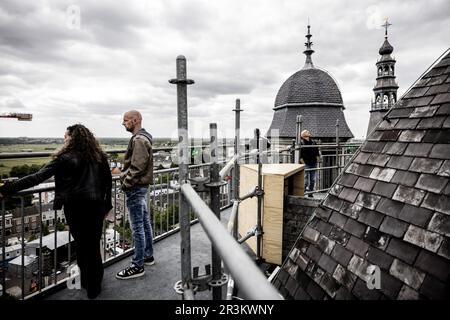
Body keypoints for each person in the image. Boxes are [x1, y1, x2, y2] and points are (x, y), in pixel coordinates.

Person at [0, 124, 112, 299]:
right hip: (96, 208)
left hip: (75, 209)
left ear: (71, 138)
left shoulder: (64, 158)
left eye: (66, 136)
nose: (64, 139)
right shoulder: (100, 157)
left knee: (83, 246)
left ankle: (86, 282)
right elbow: (108, 183)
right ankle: (94, 287)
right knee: (93, 247)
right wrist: (107, 206)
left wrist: (8, 189)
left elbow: (37, 177)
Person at [116, 110, 155, 280]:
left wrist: (125, 183)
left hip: (135, 188)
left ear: (135, 120)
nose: (123, 123)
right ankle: (148, 256)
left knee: (137, 226)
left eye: (125, 120)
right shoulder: (144, 137)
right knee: (144, 222)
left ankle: (137, 265)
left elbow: (137, 167)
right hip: (141, 187)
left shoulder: (139, 140)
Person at [299, 130, 320, 198]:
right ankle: (303, 193)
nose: (309, 132)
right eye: (307, 132)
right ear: (303, 135)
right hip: (306, 163)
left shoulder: (313, 142)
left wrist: (317, 161)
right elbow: (300, 156)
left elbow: (317, 153)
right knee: (305, 180)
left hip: (313, 163)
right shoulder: (301, 143)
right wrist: (304, 164)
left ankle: (310, 193)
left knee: (312, 179)